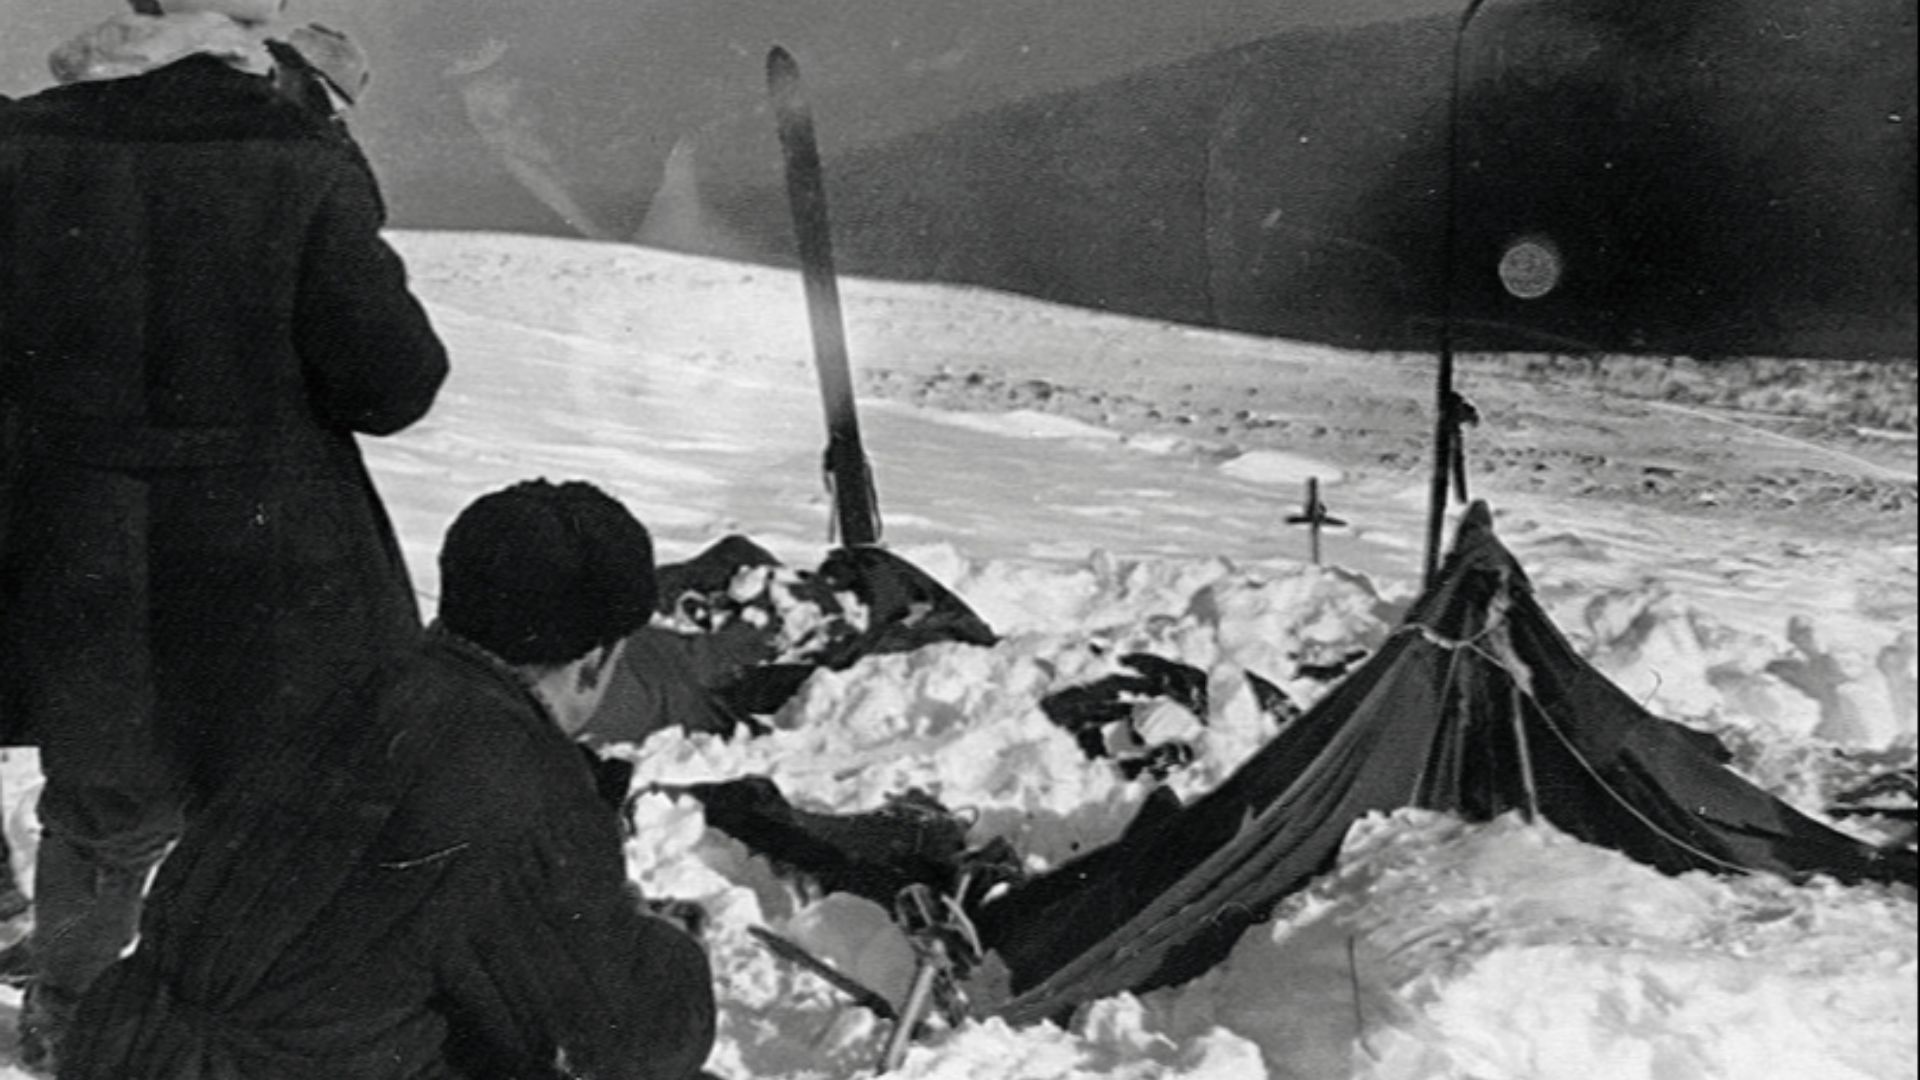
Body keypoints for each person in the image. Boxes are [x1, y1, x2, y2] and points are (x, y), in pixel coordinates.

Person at [0, 0, 448, 1066]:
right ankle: (248, 1026)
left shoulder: (18, 148)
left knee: (101, 802)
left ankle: (71, 1019)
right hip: (266, 557)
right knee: (268, 806)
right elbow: (392, 385)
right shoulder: (296, 155)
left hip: (79, 547)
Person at [61, 479, 718, 1080]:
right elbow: (630, 1036)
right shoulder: (523, 778)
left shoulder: (344, 684)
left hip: (126, 1044)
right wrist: (667, 945)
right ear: (595, 661)